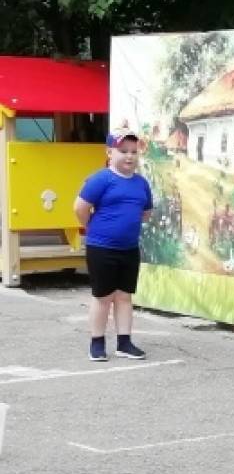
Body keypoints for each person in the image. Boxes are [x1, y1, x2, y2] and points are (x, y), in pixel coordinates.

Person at [74, 129, 154, 362]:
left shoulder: (141, 183)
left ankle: (124, 342)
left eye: (134, 152)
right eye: (123, 151)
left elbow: (146, 212)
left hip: (129, 248)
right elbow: (80, 207)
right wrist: (92, 228)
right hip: (102, 248)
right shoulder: (100, 179)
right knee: (103, 296)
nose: (129, 156)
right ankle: (97, 343)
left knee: (124, 296)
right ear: (109, 152)